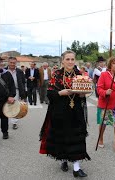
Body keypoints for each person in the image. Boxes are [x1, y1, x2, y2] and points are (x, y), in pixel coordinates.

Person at [39, 50, 90, 178]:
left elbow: (84, 93)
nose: (70, 62)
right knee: (62, 137)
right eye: (68, 59)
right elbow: (50, 94)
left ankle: (77, 168)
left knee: (77, 138)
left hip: (76, 112)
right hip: (60, 111)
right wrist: (61, 93)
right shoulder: (56, 74)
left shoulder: (80, 74)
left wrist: (83, 93)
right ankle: (64, 160)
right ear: (62, 61)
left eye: (72, 59)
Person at [96, 57, 115, 154]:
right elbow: (99, 89)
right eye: (114, 63)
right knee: (103, 123)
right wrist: (105, 92)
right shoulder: (104, 75)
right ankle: (100, 138)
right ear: (110, 64)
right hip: (105, 103)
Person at [5, 57, 26, 130]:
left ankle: (14, 123)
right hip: (5, 92)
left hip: (16, 91)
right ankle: (5, 123)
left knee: (15, 107)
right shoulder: (4, 71)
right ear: (8, 62)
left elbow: (23, 83)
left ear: (16, 63)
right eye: (11, 62)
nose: (12, 64)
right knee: (6, 107)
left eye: (14, 63)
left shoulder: (19, 71)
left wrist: (23, 94)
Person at [0, 57, 16, 139]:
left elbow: (12, 86)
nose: (1, 63)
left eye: (1, 61)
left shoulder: (7, 74)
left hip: (4, 100)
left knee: (4, 117)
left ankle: (5, 132)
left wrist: (11, 96)